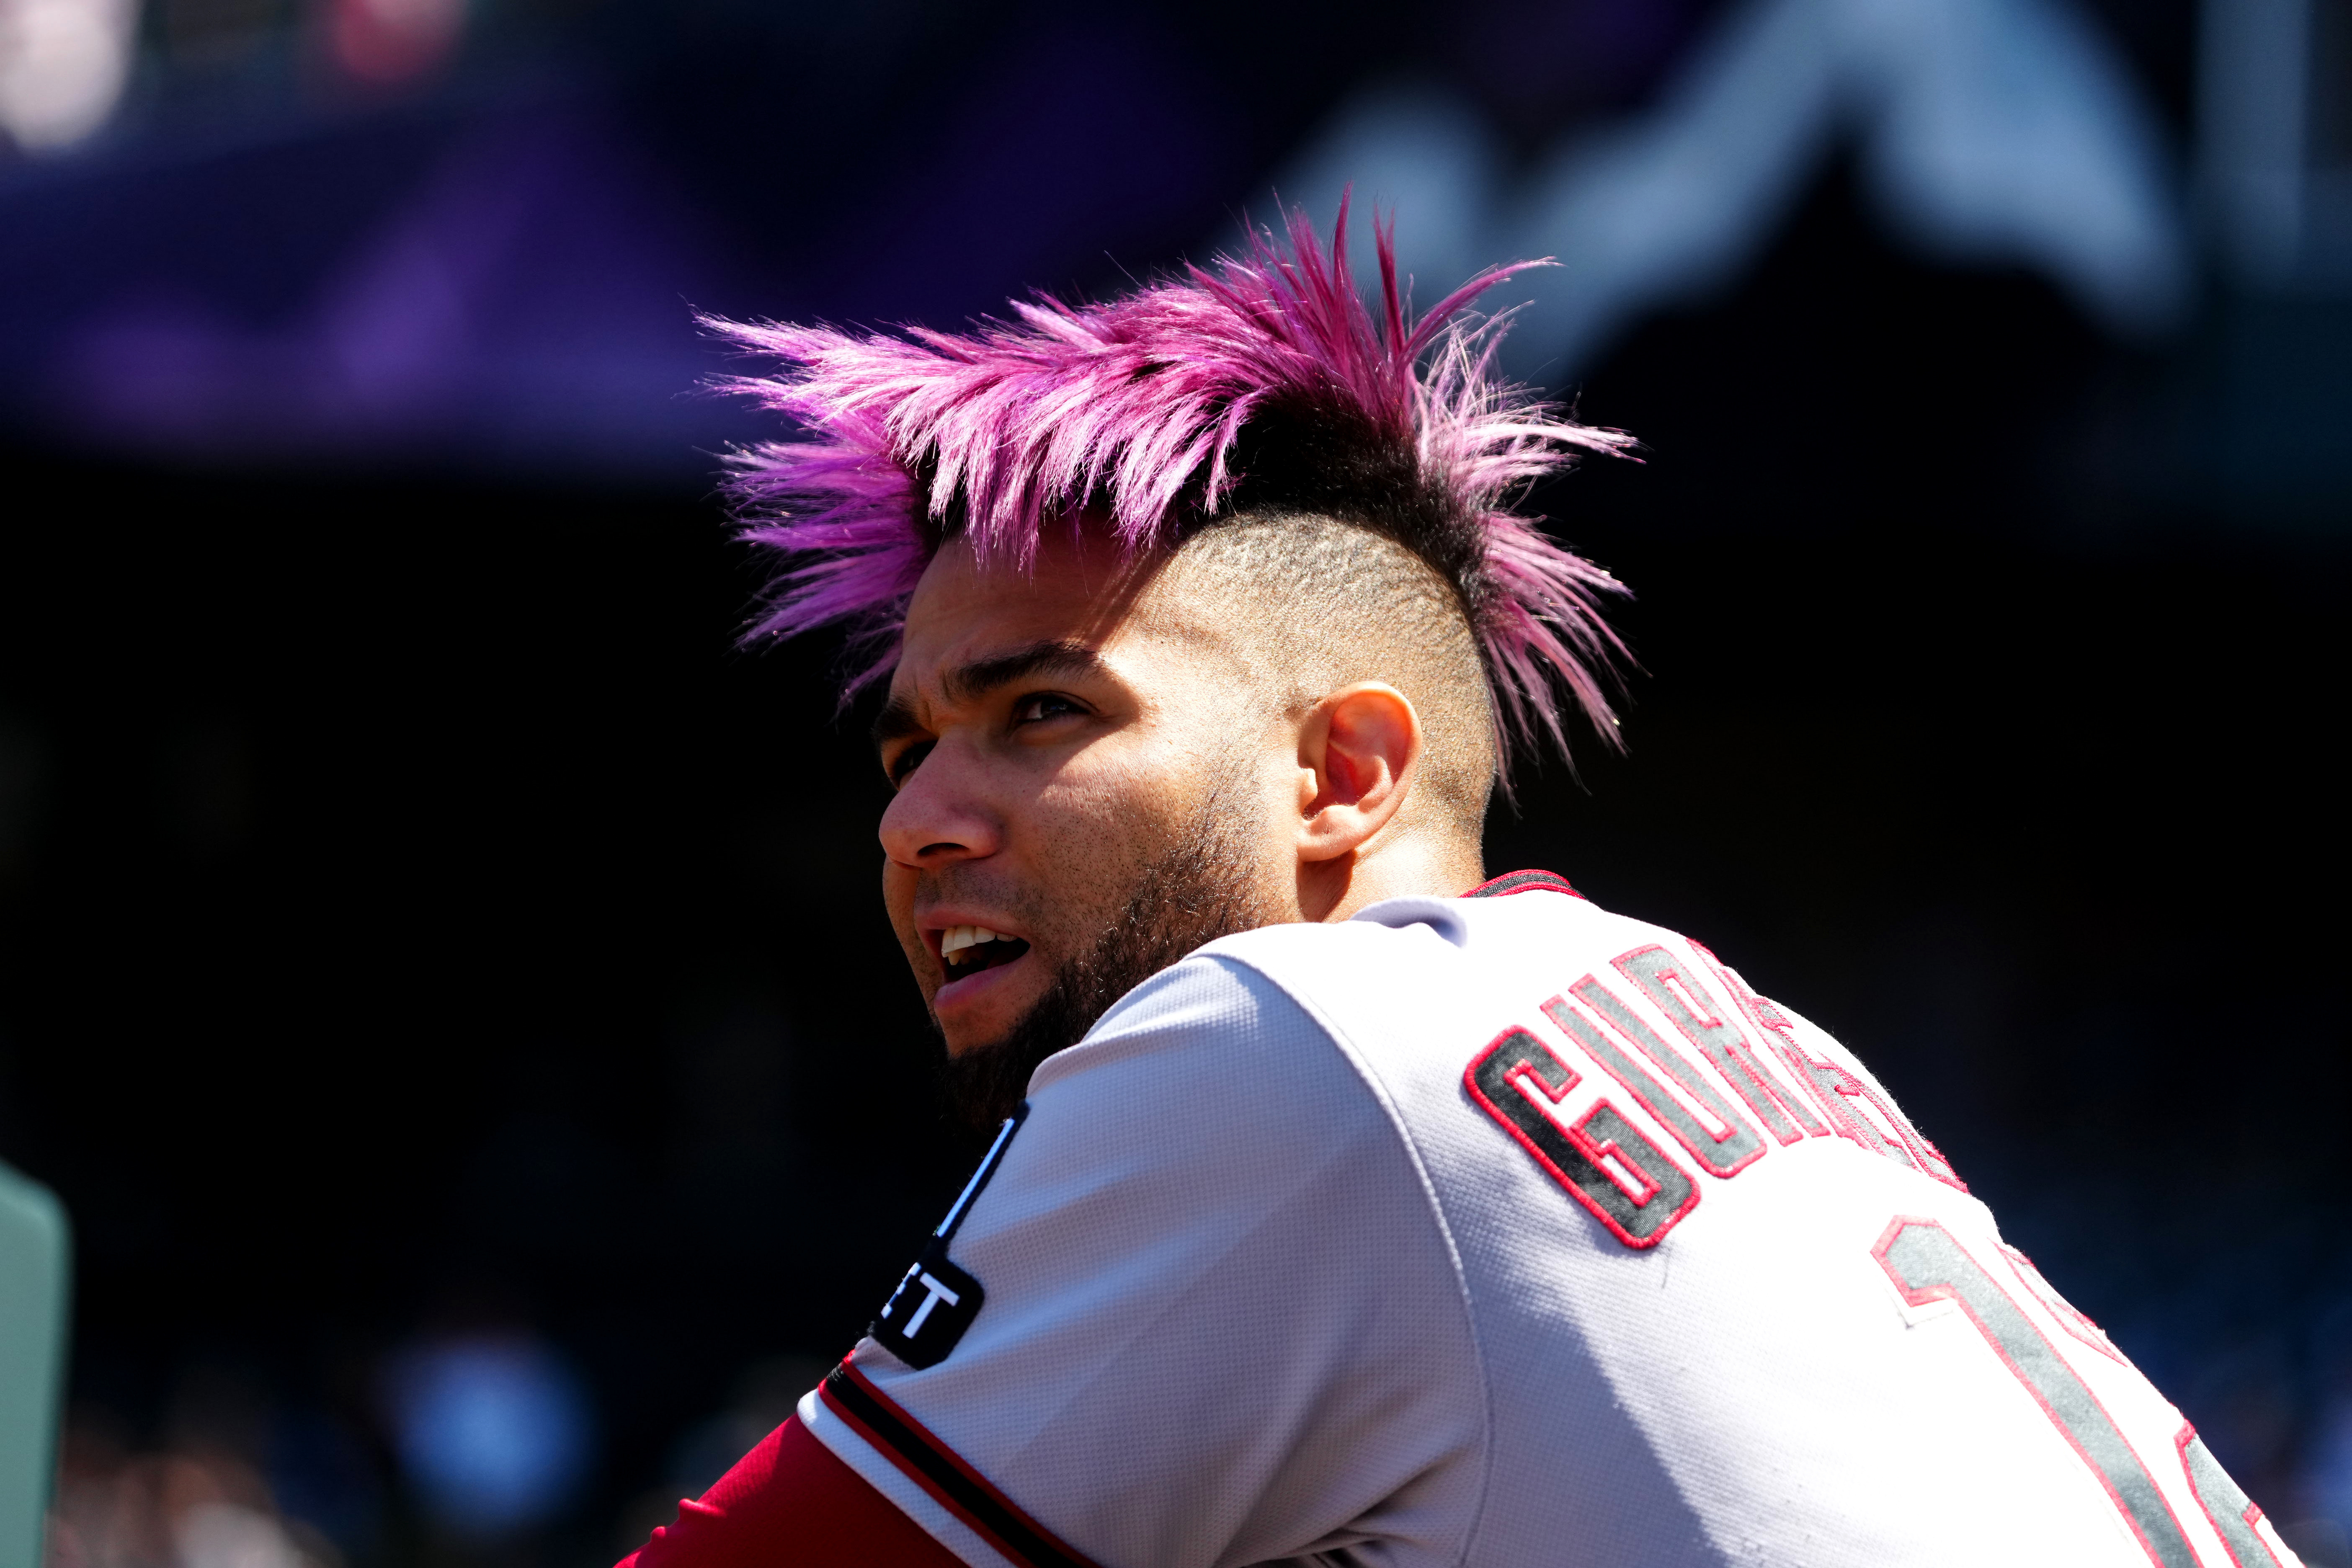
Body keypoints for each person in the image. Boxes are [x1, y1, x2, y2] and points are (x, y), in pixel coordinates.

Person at [620, 206, 2300, 1568]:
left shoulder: (1288, 1034)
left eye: (1040, 712)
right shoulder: (1743, 1030)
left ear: (1343, 774)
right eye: (906, 746)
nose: (919, 817)